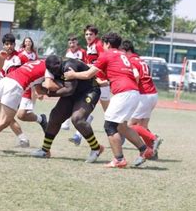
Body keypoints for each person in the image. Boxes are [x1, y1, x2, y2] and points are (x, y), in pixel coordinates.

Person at [65, 32, 153, 168]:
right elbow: (133, 74)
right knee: (122, 126)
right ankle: (144, 149)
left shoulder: (107, 54)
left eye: (103, 44)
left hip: (123, 93)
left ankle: (119, 159)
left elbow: (88, 74)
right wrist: (110, 81)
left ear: (107, 44)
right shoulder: (123, 55)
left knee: (109, 126)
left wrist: (73, 74)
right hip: (134, 92)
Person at [31, 55, 104, 163]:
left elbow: (69, 90)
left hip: (89, 91)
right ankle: (45, 150)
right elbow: (48, 85)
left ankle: (96, 148)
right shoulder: (48, 71)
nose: (55, 72)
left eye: (56, 69)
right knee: (55, 116)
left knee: (77, 119)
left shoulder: (69, 66)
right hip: (74, 93)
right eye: (52, 70)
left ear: (60, 63)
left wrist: (48, 93)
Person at [0, 59, 49, 154]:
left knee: (1, 117)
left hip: (6, 81)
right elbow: (48, 85)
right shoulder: (48, 68)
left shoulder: (38, 62)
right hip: (15, 85)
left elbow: (38, 89)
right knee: (5, 121)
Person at [0, 33, 47, 148]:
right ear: (3, 45)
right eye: (6, 44)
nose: (9, 46)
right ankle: (23, 138)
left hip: (18, 90)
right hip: (5, 89)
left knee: (8, 117)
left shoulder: (20, 57)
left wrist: (36, 91)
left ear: (15, 45)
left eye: (11, 44)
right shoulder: (2, 58)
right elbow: (2, 76)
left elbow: (30, 74)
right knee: (8, 117)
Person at [69, 25, 110, 145]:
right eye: (86, 34)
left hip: (101, 82)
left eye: (90, 34)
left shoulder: (98, 45)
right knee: (85, 106)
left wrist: (104, 78)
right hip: (93, 82)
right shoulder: (89, 46)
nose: (88, 36)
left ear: (95, 35)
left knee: (108, 112)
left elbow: (104, 60)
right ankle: (78, 135)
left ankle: (121, 132)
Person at [121, 40, 163, 159]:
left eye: (121, 52)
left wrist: (131, 89)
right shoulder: (141, 60)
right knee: (142, 127)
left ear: (126, 50)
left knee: (129, 126)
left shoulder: (130, 61)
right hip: (152, 94)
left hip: (143, 95)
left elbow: (136, 76)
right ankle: (152, 153)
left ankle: (154, 138)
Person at [61, 35, 88, 130]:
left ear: (77, 42)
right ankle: (66, 122)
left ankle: (85, 118)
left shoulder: (82, 52)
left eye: (74, 42)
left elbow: (86, 65)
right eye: (70, 42)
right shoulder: (67, 52)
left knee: (77, 100)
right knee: (68, 98)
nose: (72, 44)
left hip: (80, 79)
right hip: (70, 80)